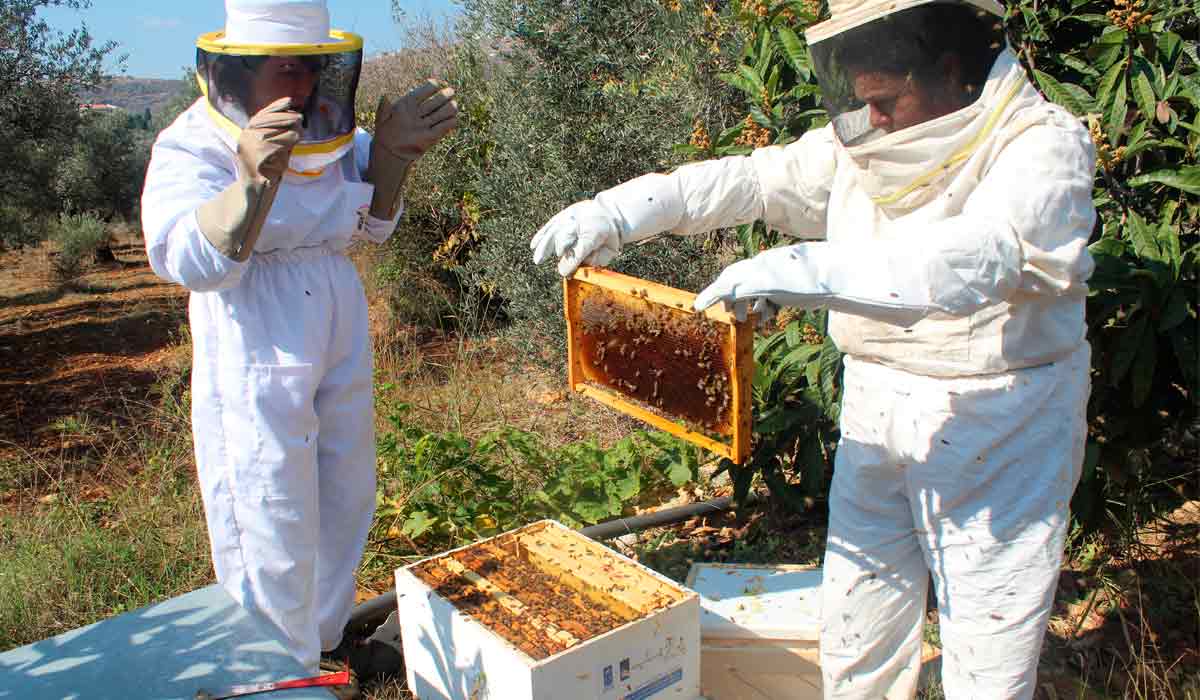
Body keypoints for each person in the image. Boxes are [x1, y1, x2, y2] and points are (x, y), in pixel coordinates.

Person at [530, 1, 1096, 698]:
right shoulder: (872, 135)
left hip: (999, 417)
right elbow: (754, 179)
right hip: (875, 400)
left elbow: (972, 262)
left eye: (886, 101)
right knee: (857, 628)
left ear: (951, 69)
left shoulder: (1042, 145)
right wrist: (623, 210)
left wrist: (809, 271)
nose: (873, 122)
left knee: (988, 652)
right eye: (862, 101)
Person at [140, 0, 457, 679]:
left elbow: (370, 227)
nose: (305, 86)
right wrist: (249, 184)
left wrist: (394, 155)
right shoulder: (193, 142)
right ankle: (274, 671)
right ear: (239, 71)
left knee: (346, 486)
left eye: (313, 69)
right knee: (268, 495)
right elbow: (184, 259)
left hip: (335, 305)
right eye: (288, 69)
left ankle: (322, 640)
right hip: (252, 321)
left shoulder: (331, 132)